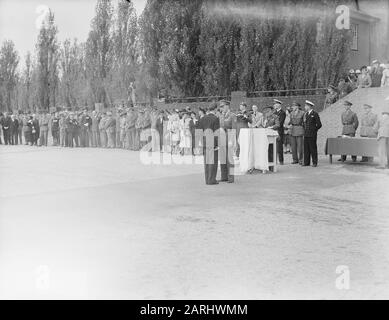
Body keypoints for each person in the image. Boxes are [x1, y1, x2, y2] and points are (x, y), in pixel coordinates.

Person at [198, 103, 220, 185]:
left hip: (205, 141)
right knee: (213, 161)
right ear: (215, 109)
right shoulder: (215, 118)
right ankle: (212, 180)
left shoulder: (203, 118)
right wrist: (217, 144)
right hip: (212, 142)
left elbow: (199, 131)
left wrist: (201, 141)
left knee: (206, 162)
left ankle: (207, 179)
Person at [302, 100, 322, 167]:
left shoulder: (314, 114)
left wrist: (314, 130)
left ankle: (314, 162)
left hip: (312, 134)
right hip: (306, 134)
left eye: (306, 106)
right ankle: (306, 162)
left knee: (313, 148)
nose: (305, 107)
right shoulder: (306, 114)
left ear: (309, 106)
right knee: (306, 149)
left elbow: (319, 124)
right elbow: (303, 123)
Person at [219, 100, 234, 183]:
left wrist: (232, 140)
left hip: (229, 137)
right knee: (222, 158)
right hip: (222, 138)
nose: (221, 108)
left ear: (227, 106)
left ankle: (231, 177)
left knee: (229, 159)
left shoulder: (232, 115)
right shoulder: (221, 115)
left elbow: (233, 128)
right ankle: (224, 177)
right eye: (221, 107)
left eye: (223, 106)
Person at [272, 99, 286, 165]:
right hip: (273, 131)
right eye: (274, 104)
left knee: (279, 147)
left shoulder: (282, 113)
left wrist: (273, 127)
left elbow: (280, 123)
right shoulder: (274, 112)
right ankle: (274, 160)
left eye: (275, 104)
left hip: (279, 131)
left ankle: (281, 161)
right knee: (273, 146)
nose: (274, 105)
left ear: (279, 105)